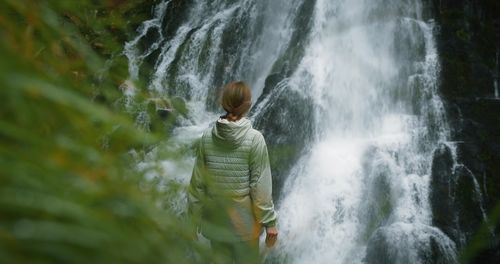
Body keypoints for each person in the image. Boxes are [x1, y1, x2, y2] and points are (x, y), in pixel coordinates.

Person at [188, 81, 278, 263]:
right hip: (244, 226)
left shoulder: (206, 138)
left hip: (216, 222)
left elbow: (198, 185)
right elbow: (260, 188)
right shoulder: (255, 139)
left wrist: (192, 221)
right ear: (247, 105)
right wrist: (270, 223)